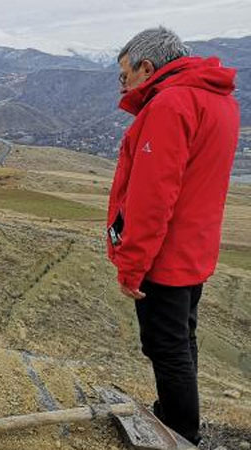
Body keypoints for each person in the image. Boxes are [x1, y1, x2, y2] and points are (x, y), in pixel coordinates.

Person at [108, 27, 239, 445]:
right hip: (194, 249)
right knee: (182, 341)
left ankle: (181, 433)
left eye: (126, 76)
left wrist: (132, 265)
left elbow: (152, 196)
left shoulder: (170, 104)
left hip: (164, 255)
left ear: (148, 67)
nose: (123, 85)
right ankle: (174, 412)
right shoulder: (218, 99)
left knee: (165, 347)